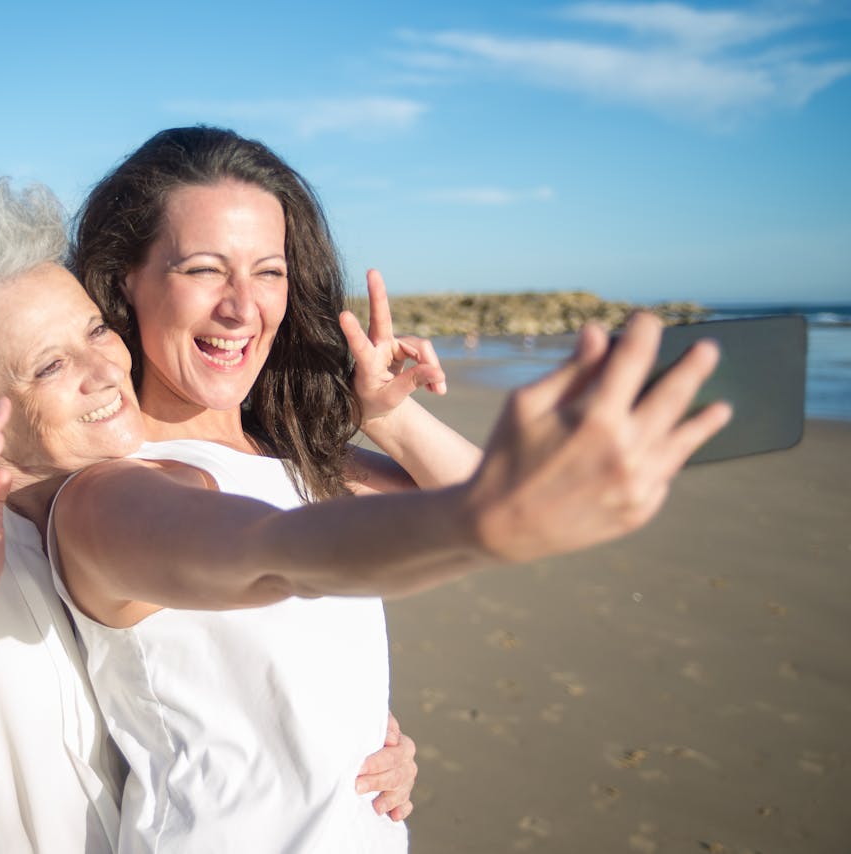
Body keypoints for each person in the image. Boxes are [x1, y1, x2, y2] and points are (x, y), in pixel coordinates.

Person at [43, 126, 731, 852]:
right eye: (205, 270)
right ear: (126, 276)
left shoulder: (308, 462)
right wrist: (487, 520)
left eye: (268, 272)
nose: (243, 307)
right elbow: (272, 554)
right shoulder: (115, 492)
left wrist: (393, 416)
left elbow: (471, 500)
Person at [0, 173, 419, 853]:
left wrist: (353, 739)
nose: (104, 370)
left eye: (95, 332)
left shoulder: (122, 489)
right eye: (51, 366)